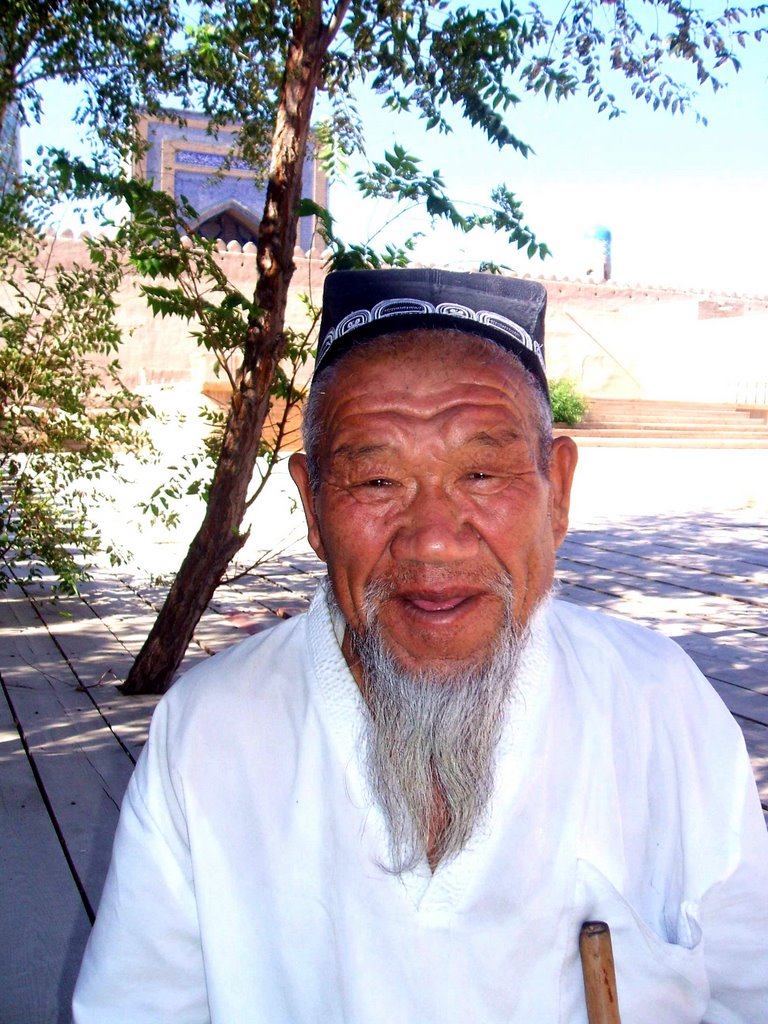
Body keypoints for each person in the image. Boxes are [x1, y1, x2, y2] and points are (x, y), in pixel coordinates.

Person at [73, 269, 768, 1023]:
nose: (433, 539)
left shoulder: (661, 704)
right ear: (312, 507)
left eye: (480, 472)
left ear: (557, 492)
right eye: (376, 480)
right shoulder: (209, 732)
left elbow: (746, 988)